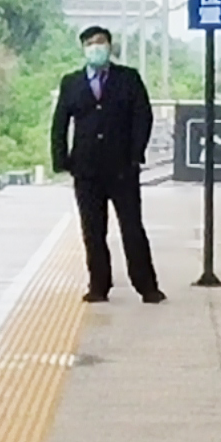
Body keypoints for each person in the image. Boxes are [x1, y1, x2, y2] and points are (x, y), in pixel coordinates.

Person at [49, 25, 162, 303]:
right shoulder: (71, 82)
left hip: (122, 168)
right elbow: (60, 123)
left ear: (110, 46)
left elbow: (143, 117)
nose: (95, 48)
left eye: (100, 42)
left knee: (132, 228)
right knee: (92, 230)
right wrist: (62, 160)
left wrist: (135, 154)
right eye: (89, 43)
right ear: (83, 49)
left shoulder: (128, 79)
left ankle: (147, 286)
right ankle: (98, 285)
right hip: (86, 170)